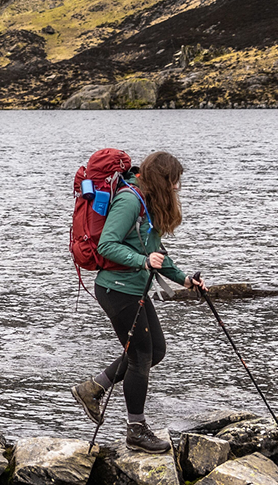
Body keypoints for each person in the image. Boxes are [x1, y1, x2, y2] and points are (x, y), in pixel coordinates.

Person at [70, 151, 206, 452]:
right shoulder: (129, 200)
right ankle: (136, 429)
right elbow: (107, 244)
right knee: (141, 357)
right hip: (117, 289)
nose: (176, 188)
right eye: (173, 181)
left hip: (133, 290)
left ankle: (92, 388)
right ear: (161, 179)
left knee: (155, 350)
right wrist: (142, 261)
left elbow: (156, 251)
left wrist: (183, 279)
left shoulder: (146, 202)